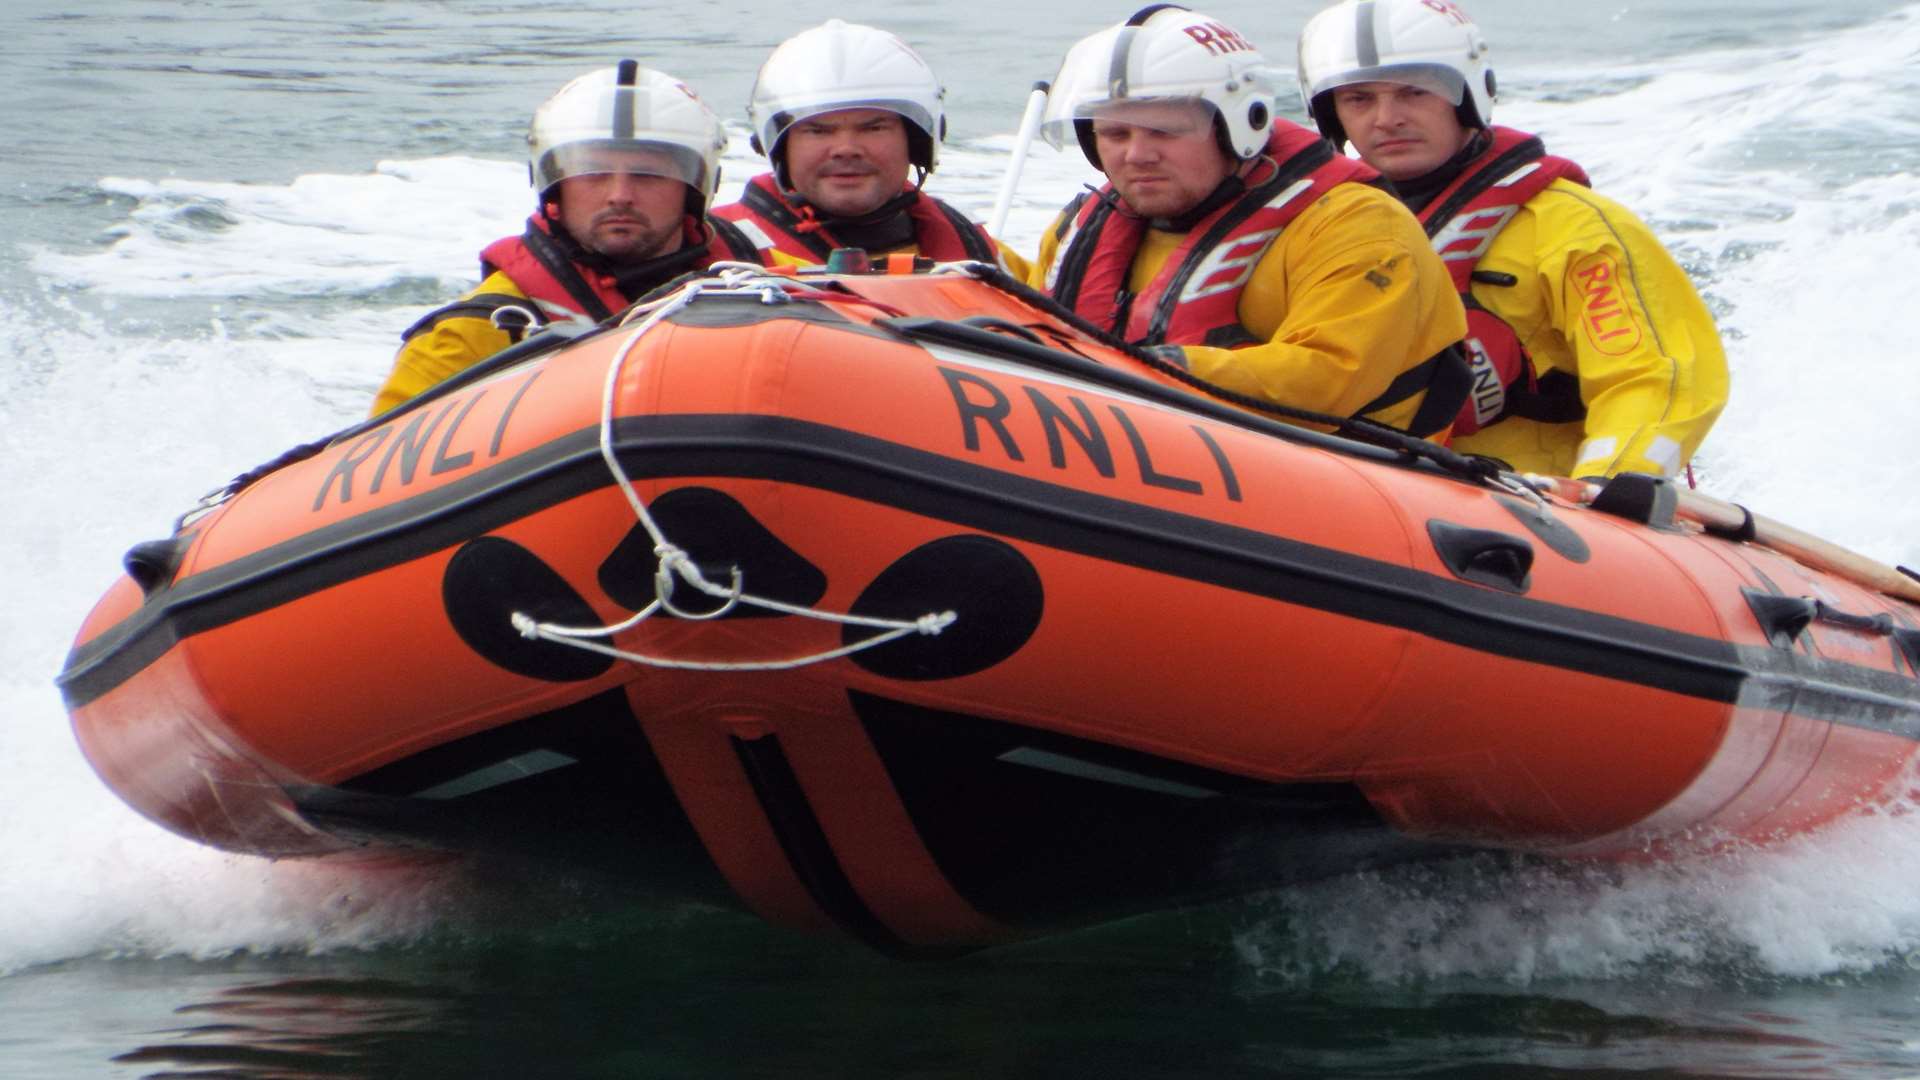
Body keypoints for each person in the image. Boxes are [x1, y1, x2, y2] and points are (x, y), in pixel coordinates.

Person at [1297, 0, 1729, 479]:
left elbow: (1656, 376)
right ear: (1331, 115)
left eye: (1414, 92)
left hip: (1535, 508)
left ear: (1466, 96)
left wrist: (1612, 482)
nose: (1386, 117)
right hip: (1364, 488)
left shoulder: (1572, 229)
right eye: (1359, 99)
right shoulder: (1314, 232)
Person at [1027, 5, 1469, 439]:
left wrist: (1144, 367)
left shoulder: (1359, 226)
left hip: (1332, 482)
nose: (1137, 155)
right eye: (1115, 134)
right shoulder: (1077, 229)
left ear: (1237, 125)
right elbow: (1024, 314)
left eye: (1164, 130)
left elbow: (1327, 377)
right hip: (1126, 449)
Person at [371, 61, 759, 416]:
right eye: (592, 172)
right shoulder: (474, 335)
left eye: (648, 173)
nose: (619, 194)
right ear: (554, 187)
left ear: (694, 188)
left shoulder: (760, 285)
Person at [714, 19, 1022, 272]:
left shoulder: (977, 250)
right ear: (779, 147)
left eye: (873, 128)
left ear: (915, 141)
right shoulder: (716, 255)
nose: (846, 148)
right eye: (818, 131)